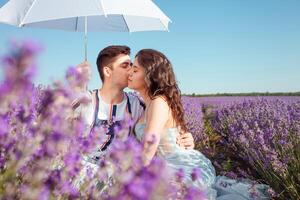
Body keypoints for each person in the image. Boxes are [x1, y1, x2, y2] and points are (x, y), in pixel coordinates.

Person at [128, 49, 269, 200]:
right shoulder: (148, 104)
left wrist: (130, 176)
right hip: (164, 164)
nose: (130, 72)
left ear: (150, 75)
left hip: (177, 165)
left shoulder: (158, 102)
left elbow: (149, 147)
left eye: (135, 69)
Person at [72, 46, 195, 188]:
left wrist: (185, 137)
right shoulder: (85, 101)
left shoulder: (138, 105)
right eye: (125, 66)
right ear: (107, 71)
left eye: (133, 67)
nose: (130, 71)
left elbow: (162, 129)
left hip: (119, 173)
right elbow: (53, 130)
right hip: (85, 171)